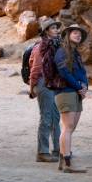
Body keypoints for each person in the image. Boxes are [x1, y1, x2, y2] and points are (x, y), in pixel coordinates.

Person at [54, 24, 89, 172]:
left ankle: (62, 161)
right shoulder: (62, 52)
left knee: (71, 127)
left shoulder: (75, 53)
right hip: (65, 92)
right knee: (68, 127)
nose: (78, 35)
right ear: (67, 35)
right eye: (74, 33)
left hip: (75, 93)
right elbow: (64, 73)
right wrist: (79, 87)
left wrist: (85, 86)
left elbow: (82, 72)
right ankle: (68, 163)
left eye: (79, 33)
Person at [28, 18, 62, 162]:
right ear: (46, 31)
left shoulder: (57, 44)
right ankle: (42, 152)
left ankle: (59, 150)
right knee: (46, 117)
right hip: (43, 82)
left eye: (56, 28)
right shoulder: (40, 47)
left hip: (54, 83)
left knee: (56, 117)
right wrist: (32, 88)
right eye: (53, 28)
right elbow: (35, 69)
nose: (56, 30)